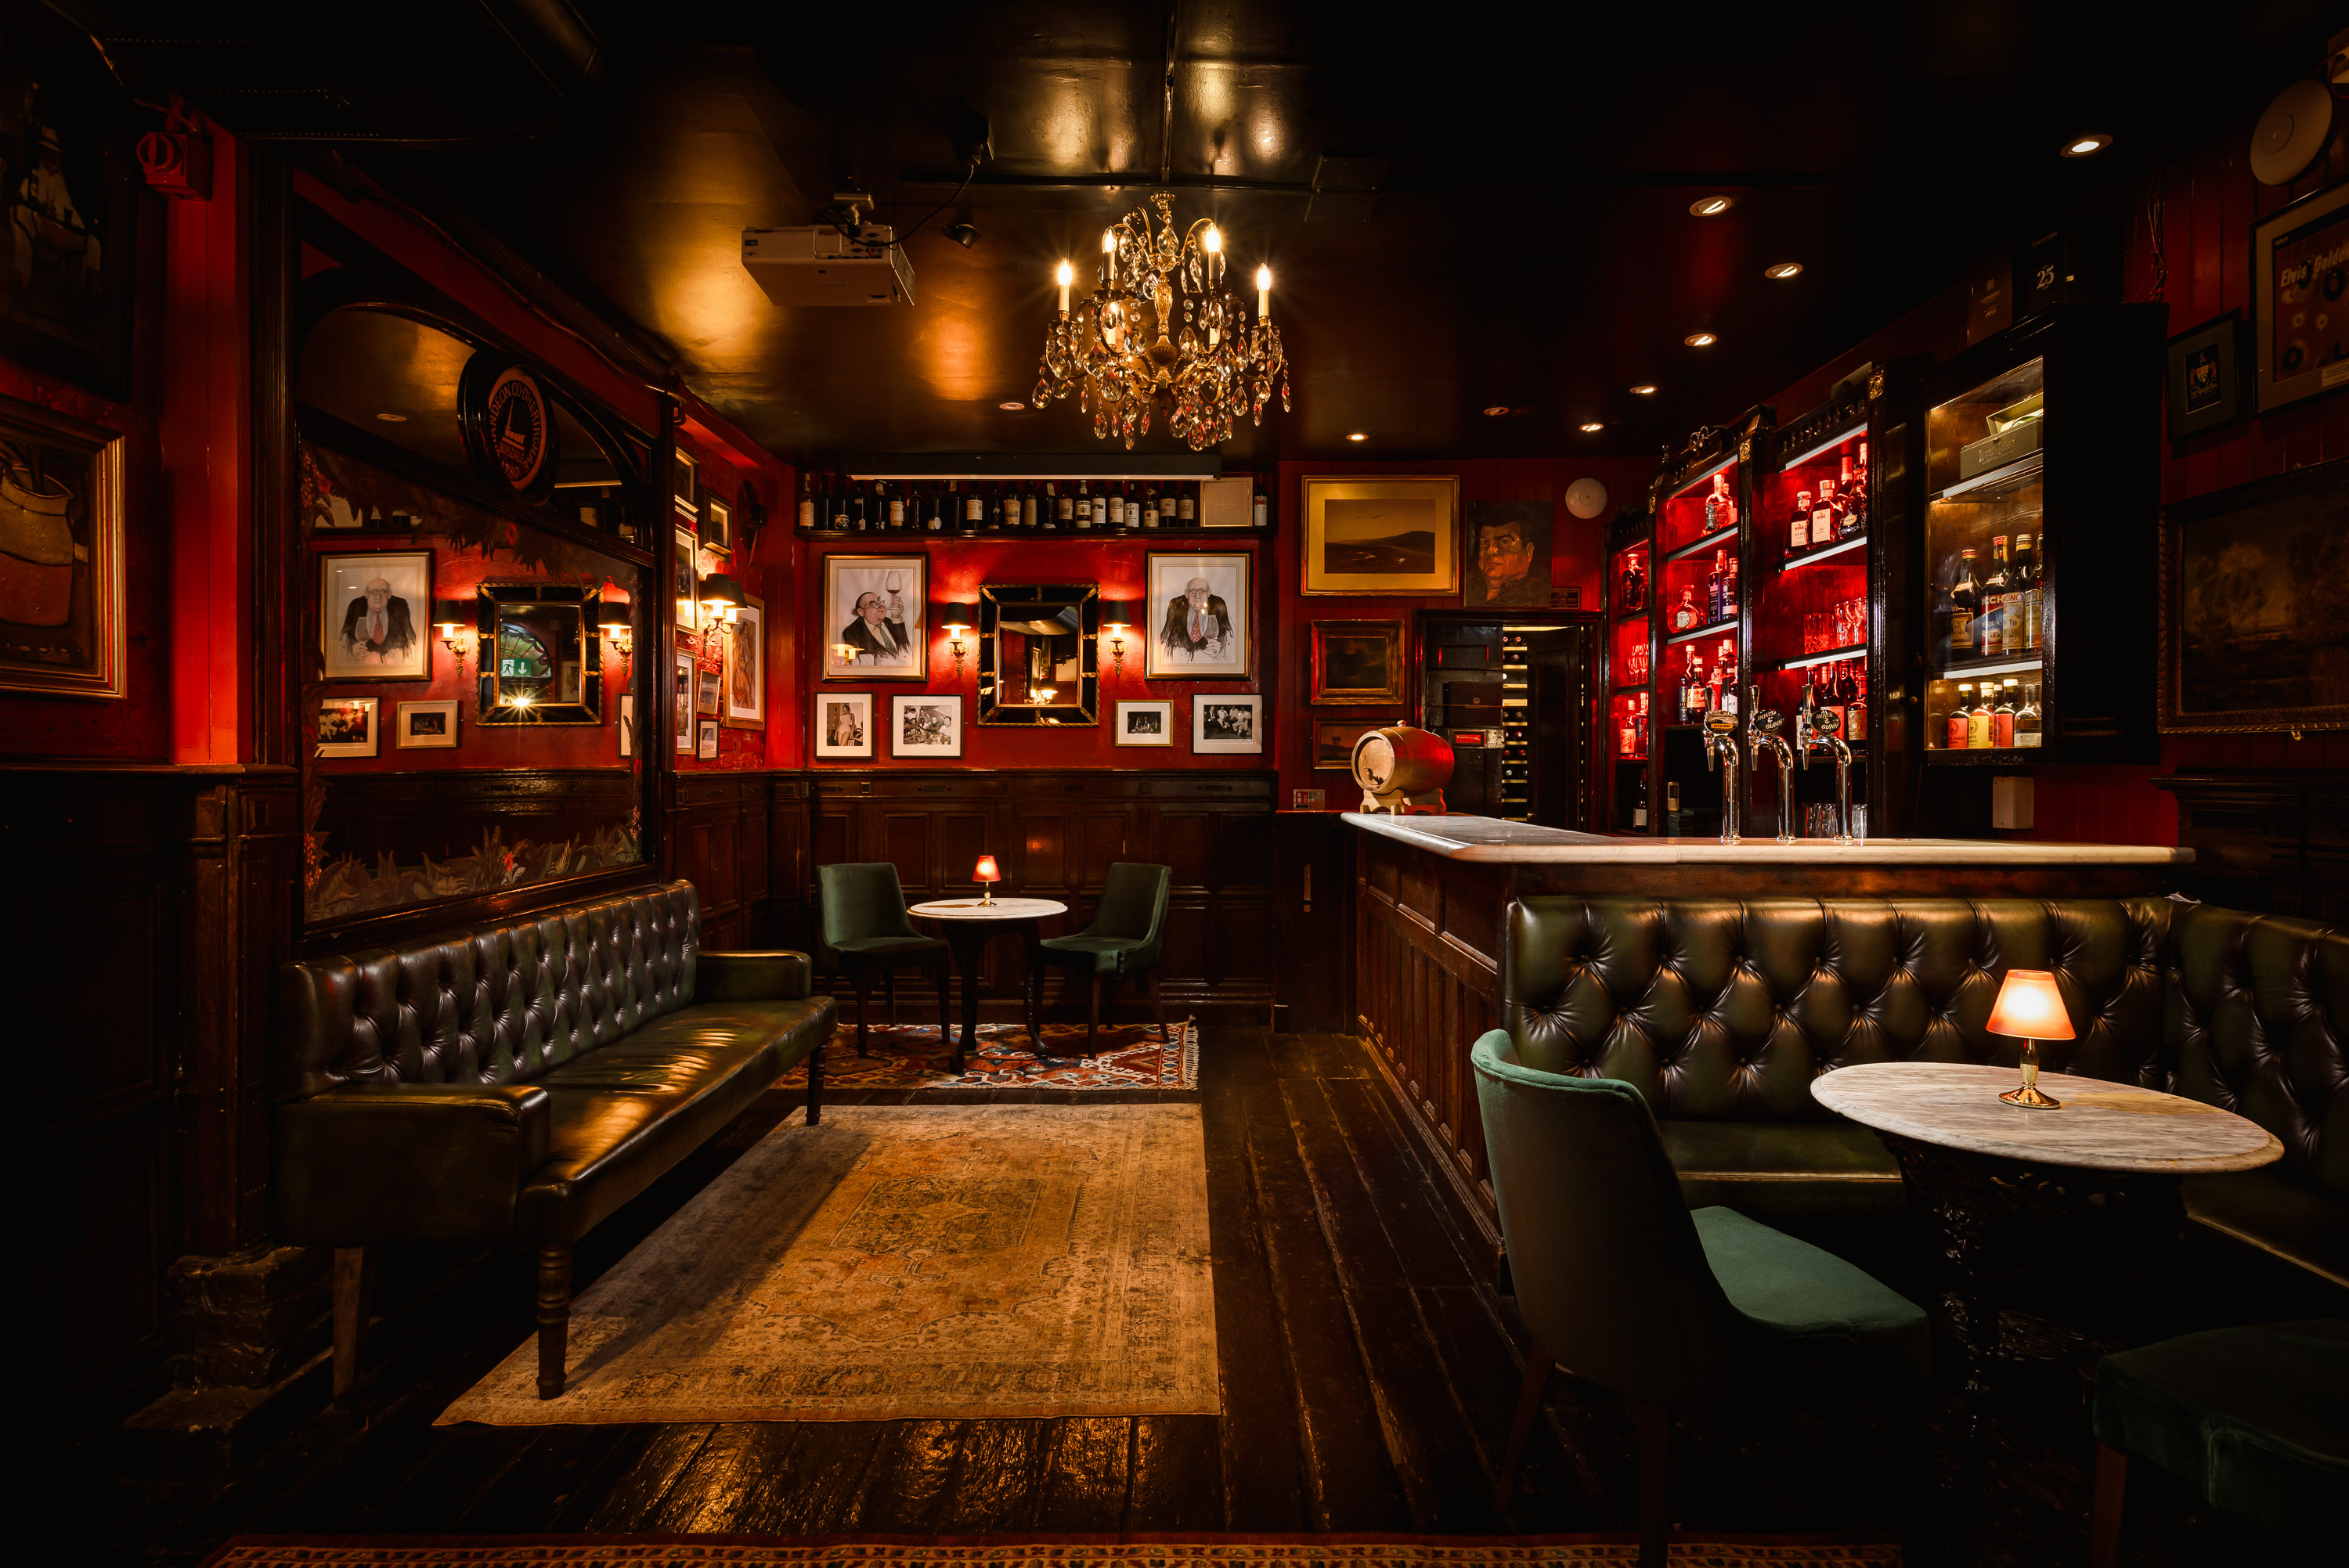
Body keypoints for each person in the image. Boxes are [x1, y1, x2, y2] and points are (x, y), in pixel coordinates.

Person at [337, 575, 417, 665]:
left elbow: (410, 641)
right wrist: (353, 652)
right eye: (374, 592)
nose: (378, 596)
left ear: (389, 594)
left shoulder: (400, 606)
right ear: (366, 594)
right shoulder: (355, 606)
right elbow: (345, 642)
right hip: (364, 667)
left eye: (383, 592)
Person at [1470, 517, 1546, 606]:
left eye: (1505, 542)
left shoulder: (1542, 597)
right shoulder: (1466, 585)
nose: (1491, 550)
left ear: (1529, 551)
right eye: (1484, 542)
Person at [1159, 575, 1232, 661]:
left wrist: (1218, 652)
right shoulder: (1176, 605)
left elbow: (1228, 642)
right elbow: (1164, 640)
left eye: (1201, 591)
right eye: (1193, 591)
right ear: (1186, 594)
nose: (1197, 595)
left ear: (1209, 593)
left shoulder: (1219, 605)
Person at [839, 588, 911, 662]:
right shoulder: (851, 633)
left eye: (879, 601)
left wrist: (897, 615)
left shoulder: (890, 622)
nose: (881, 606)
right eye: (874, 604)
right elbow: (852, 664)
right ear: (861, 612)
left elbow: (906, 649)